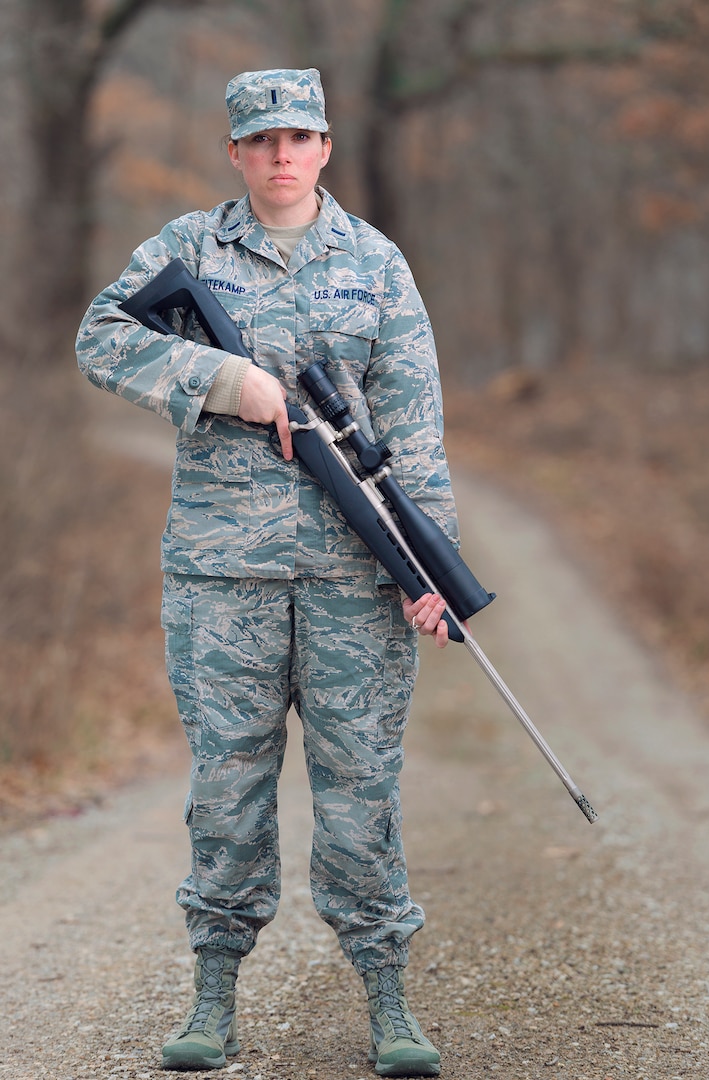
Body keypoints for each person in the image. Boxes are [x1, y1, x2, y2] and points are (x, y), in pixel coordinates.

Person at [77, 67, 458, 1077]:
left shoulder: (376, 264)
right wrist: (220, 380)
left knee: (360, 794)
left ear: (325, 146)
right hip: (220, 575)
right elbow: (100, 337)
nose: (282, 154)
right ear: (236, 152)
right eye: (262, 140)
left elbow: (415, 428)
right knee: (227, 792)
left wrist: (433, 569)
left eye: (300, 136)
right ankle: (213, 1002)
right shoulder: (187, 249)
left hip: (355, 576)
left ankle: (389, 1005)